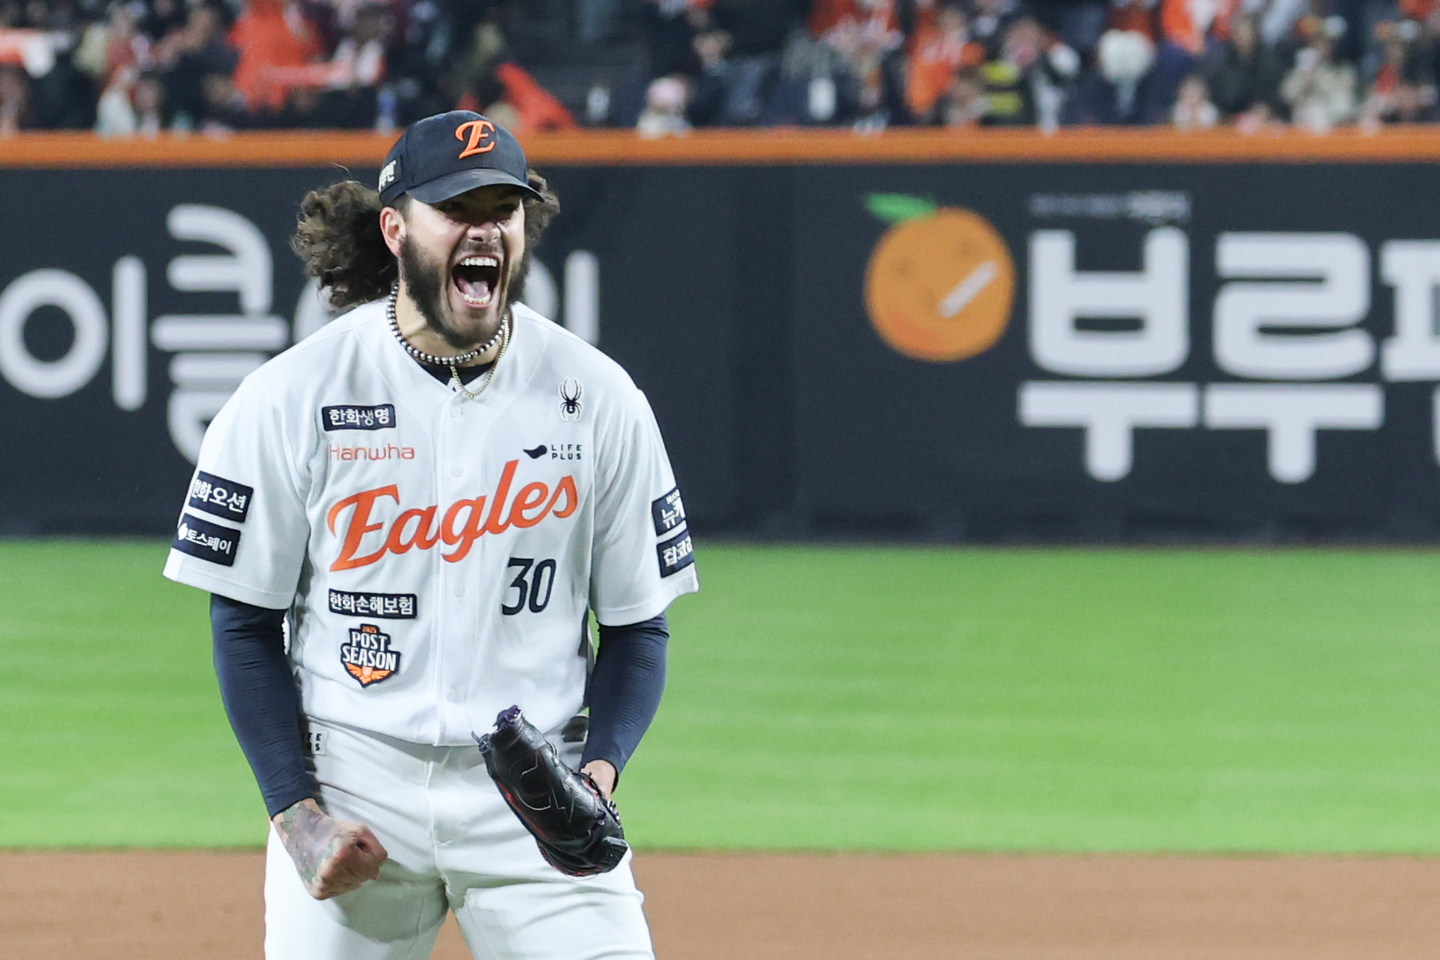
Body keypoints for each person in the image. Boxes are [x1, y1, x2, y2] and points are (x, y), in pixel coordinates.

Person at [162, 109, 699, 959]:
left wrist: (593, 780)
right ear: (396, 228)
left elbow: (638, 624)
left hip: (536, 795)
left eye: (503, 209)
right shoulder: (292, 395)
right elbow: (243, 623)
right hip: (352, 780)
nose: (484, 229)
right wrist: (296, 815)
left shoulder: (599, 398)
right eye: (458, 208)